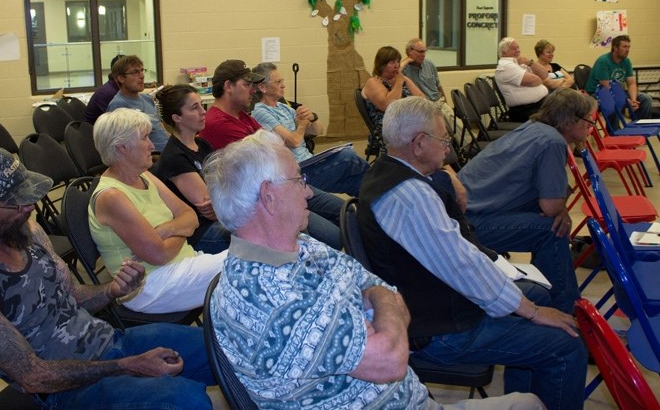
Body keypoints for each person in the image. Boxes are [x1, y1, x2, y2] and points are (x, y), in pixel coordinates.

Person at [203, 132, 545, 410]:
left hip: (408, 399)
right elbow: (391, 359)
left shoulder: (298, 244)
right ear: (269, 197)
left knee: (527, 403)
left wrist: (379, 308)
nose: (308, 190)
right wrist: (381, 309)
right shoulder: (273, 301)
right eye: (299, 179)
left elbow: (378, 285)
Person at [0, 144, 215, 409]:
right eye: (16, 203)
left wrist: (111, 291)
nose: (30, 207)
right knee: (185, 400)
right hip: (67, 388)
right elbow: (34, 376)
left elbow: (73, 297)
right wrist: (128, 365)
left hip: (110, 342)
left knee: (219, 347)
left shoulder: (29, 234)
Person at [357, 97, 587, 410]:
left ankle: (529, 398)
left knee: (541, 298)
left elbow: (459, 255)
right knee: (567, 346)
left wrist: (526, 302)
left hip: (431, 305)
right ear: (419, 143)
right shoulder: (410, 197)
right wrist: (530, 312)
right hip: (437, 332)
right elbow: (461, 266)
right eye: (443, 140)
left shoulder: (390, 173)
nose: (448, 149)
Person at [459, 88, 599, 315]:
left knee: (550, 221)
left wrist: (558, 206)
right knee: (552, 230)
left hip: (466, 215)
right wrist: (560, 209)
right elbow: (551, 206)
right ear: (567, 122)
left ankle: (546, 297)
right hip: (470, 226)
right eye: (587, 120)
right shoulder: (553, 142)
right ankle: (566, 312)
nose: (590, 126)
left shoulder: (533, 128)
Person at [89, 108, 226, 314]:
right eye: (145, 138)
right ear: (122, 147)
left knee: (250, 257)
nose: (152, 145)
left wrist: (165, 231)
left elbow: (191, 217)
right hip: (149, 286)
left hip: (182, 264)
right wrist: (180, 230)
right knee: (247, 262)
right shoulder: (111, 196)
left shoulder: (144, 175)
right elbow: (159, 255)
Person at [199, 59, 344, 249]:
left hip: (283, 183)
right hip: (267, 198)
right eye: (247, 84)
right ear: (228, 86)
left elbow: (274, 146)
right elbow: (265, 157)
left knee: (343, 211)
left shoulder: (242, 116)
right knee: (335, 236)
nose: (253, 90)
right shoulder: (218, 123)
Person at [251, 62, 368, 196]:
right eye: (278, 82)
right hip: (297, 173)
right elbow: (293, 142)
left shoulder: (284, 108)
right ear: (262, 88)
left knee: (358, 182)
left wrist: (312, 118)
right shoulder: (260, 112)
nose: (283, 85)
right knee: (348, 157)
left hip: (310, 162)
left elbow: (317, 131)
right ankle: (382, 183)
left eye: (282, 81)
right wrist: (301, 125)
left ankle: (376, 208)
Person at [152, 84, 230, 254]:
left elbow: (227, 181)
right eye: (195, 108)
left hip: (221, 220)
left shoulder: (202, 144)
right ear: (177, 118)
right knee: (254, 229)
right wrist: (225, 198)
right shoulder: (175, 157)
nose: (203, 112)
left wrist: (223, 198)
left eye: (202, 105)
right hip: (200, 232)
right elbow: (211, 211)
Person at [361, 45, 424, 153]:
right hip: (387, 130)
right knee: (427, 138)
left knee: (437, 131)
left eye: (397, 62)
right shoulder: (373, 82)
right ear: (381, 65)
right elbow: (389, 106)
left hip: (409, 123)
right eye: (391, 62)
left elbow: (422, 99)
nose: (396, 66)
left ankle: (444, 166)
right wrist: (399, 82)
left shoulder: (403, 79)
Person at [401, 37, 464, 144]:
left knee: (452, 119)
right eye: (420, 51)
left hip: (438, 102)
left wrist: (445, 102)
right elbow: (395, 73)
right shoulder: (405, 69)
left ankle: (463, 146)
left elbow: (438, 87)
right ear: (409, 52)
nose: (424, 54)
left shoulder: (429, 64)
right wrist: (406, 60)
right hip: (422, 108)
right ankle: (469, 145)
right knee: (449, 122)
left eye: (425, 51)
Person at [106, 55, 170, 152]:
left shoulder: (146, 98)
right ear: (121, 78)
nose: (142, 76)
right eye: (135, 72)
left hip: (168, 151)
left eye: (142, 70)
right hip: (153, 157)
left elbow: (160, 127)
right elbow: (125, 146)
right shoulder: (119, 105)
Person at [585, 34, 653, 119]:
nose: (627, 50)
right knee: (615, 102)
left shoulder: (626, 61)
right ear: (615, 48)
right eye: (624, 47)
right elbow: (606, 88)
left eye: (628, 47)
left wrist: (633, 100)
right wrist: (626, 101)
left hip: (617, 92)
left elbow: (631, 84)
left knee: (646, 99)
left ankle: (640, 128)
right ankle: (615, 131)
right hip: (597, 93)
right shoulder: (603, 61)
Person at [494, 37, 549, 122]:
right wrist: (538, 79)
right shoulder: (506, 66)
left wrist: (530, 62)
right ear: (504, 53)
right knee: (560, 116)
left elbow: (544, 74)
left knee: (567, 106)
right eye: (513, 48)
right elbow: (536, 81)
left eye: (518, 47)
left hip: (539, 105)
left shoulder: (518, 63)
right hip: (525, 110)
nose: (517, 50)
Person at [84, 54, 125, 124]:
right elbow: (122, 123)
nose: (141, 76)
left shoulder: (115, 87)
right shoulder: (109, 93)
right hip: (96, 132)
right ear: (120, 76)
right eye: (134, 72)